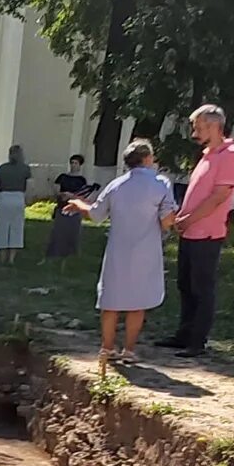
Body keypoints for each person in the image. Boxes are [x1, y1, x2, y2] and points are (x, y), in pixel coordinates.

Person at [61, 139, 177, 362]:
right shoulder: (161, 184)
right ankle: (129, 350)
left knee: (112, 298)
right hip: (146, 249)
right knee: (138, 301)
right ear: (147, 159)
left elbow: (96, 214)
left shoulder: (116, 185)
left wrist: (78, 204)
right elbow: (166, 221)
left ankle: (107, 347)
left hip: (118, 248)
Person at [161, 104, 234, 357]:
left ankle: (198, 341)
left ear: (215, 126)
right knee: (185, 284)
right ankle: (184, 335)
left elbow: (218, 196)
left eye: (199, 127)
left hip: (207, 233)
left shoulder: (229, 155)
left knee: (202, 288)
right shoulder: (208, 154)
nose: (195, 132)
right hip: (190, 231)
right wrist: (182, 219)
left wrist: (189, 218)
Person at [46, 155, 92, 259]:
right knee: (58, 232)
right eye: (72, 163)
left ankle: (71, 254)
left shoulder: (81, 180)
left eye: (76, 163)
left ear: (80, 165)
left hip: (75, 209)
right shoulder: (63, 177)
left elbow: (83, 195)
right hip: (62, 206)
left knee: (73, 232)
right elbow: (56, 190)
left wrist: (71, 196)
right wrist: (62, 194)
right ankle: (55, 253)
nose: (73, 165)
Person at [0, 145, 31, 263]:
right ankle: (11, 258)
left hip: (4, 197)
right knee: (16, 228)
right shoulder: (25, 169)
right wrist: (28, 199)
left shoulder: (2, 168)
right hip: (18, 197)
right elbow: (30, 186)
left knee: (2, 227)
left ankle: (2, 256)